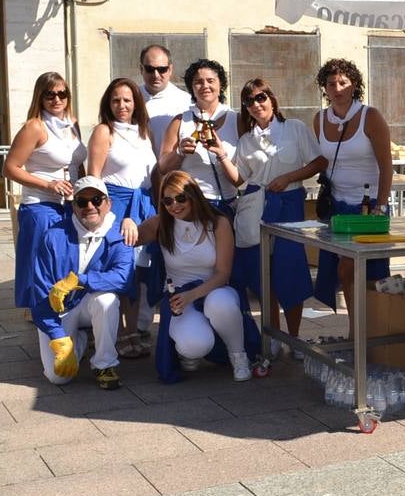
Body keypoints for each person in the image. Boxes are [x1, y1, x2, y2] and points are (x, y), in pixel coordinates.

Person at [223, 79, 325, 358]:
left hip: (289, 205)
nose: (256, 105)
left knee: (290, 270)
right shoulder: (246, 141)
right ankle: (273, 336)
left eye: (260, 97)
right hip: (258, 207)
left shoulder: (294, 129)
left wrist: (289, 178)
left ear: (272, 98)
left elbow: (318, 162)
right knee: (263, 274)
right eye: (249, 101)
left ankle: (294, 338)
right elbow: (240, 179)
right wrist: (221, 155)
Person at [136, 172, 260, 382]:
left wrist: (192, 295)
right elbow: (132, 237)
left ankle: (238, 356)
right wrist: (129, 222)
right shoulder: (161, 223)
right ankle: (187, 351)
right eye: (167, 201)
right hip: (180, 298)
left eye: (181, 198)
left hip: (215, 289)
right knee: (194, 345)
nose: (174, 205)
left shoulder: (218, 223)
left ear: (193, 195)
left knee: (220, 303)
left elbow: (223, 274)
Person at [29, 177, 132, 389]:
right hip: (59, 310)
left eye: (96, 199)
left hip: (91, 303)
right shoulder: (53, 236)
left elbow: (123, 277)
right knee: (58, 377)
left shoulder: (120, 233)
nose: (90, 206)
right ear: (73, 206)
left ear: (108, 203)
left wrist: (81, 280)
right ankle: (80, 342)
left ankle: (105, 363)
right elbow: (39, 292)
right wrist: (58, 338)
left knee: (107, 300)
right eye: (82, 202)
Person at [311, 58, 394, 313]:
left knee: (361, 270)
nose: (337, 89)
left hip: (367, 208)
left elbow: (386, 166)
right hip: (336, 206)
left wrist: (380, 206)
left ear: (354, 85)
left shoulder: (371, 117)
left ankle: (371, 326)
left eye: (343, 83)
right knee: (343, 271)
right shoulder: (320, 119)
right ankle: (355, 328)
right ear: (324, 87)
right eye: (331, 83)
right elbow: (321, 160)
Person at [86, 78, 157, 358]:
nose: (122, 105)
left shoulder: (143, 131)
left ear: (136, 103)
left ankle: (134, 329)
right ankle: (121, 334)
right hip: (116, 206)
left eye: (127, 100)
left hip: (144, 205)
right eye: (116, 100)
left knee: (141, 272)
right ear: (108, 103)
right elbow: (93, 177)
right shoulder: (105, 131)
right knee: (122, 268)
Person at [4, 72, 86, 308]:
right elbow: (10, 168)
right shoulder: (35, 127)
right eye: (50, 94)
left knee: (66, 264)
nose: (57, 99)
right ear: (40, 97)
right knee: (40, 268)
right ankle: (43, 321)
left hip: (70, 205)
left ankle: (66, 315)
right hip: (40, 206)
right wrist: (49, 184)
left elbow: (78, 164)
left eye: (62, 93)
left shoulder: (72, 124)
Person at [158, 60, 240, 213]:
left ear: (221, 85)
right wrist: (179, 152)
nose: (205, 86)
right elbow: (163, 167)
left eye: (211, 81)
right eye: (198, 82)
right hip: (193, 205)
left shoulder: (237, 120)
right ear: (191, 88)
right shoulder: (180, 121)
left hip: (230, 205)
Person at [138, 44, 192, 153]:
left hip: (172, 168)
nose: (156, 75)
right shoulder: (130, 99)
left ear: (170, 69)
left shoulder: (186, 102)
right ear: (141, 69)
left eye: (162, 69)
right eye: (150, 69)